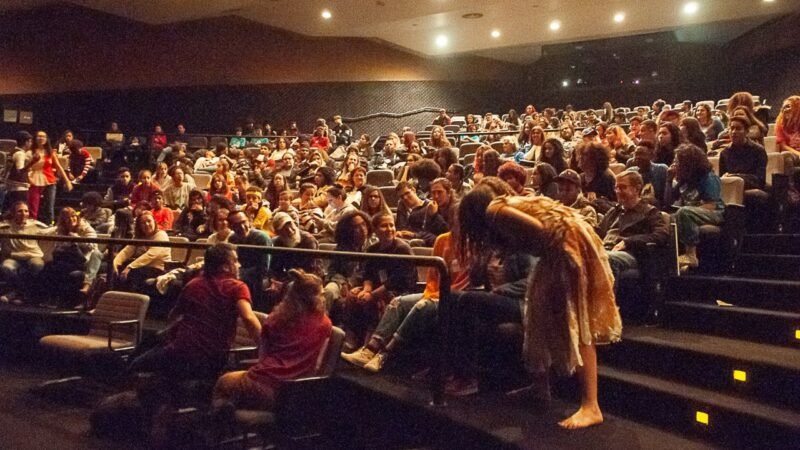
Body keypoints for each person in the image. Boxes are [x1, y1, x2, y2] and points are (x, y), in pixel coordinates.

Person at [458, 186, 621, 429]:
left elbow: (543, 231)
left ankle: (591, 406)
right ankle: (540, 387)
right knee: (535, 314)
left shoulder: (494, 212)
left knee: (576, 321)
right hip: (557, 249)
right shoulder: (501, 210)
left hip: (566, 247)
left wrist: (561, 268)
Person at [131, 243, 261, 390]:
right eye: (236, 261)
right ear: (225, 267)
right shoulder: (237, 287)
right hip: (211, 359)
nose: (239, 265)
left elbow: (173, 315)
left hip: (181, 353)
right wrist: (267, 347)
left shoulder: (194, 284)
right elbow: (248, 318)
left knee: (135, 366)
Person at [342, 230, 469, 372]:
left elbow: (399, 280)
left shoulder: (474, 244)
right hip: (433, 293)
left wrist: (439, 295)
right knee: (399, 302)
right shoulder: (442, 239)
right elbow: (433, 276)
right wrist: (431, 293)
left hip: (453, 296)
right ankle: (369, 350)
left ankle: (385, 354)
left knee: (421, 305)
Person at [212, 269, 331, 411]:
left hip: (268, 384)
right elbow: (317, 365)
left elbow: (263, 355)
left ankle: (219, 427)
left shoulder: (276, 319)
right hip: (294, 391)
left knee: (223, 382)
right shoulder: (325, 324)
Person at [340, 213, 416, 349]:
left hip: (400, 291)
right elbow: (367, 274)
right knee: (352, 296)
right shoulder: (372, 249)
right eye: (384, 226)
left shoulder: (402, 249)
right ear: (375, 230)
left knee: (378, 302)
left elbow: (397, 280)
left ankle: (370, 344)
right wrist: (366, 290)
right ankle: (351, 337)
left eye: (391, 225)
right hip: (377, 288)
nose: (389, 229)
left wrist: (372, 295)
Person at [596, 171, 670, 281]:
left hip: (631, 253)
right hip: (604, 249)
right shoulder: (614, 211)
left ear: (637, 189)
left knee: (607, 259)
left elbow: (661, 234)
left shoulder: (649, 212)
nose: (618, 191)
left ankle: (608, 298)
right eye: (616, 188)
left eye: (623, 187)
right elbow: (598, 232)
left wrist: (629, 241)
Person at [668, 144, 725, 270]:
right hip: (690, 212)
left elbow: (712, 204)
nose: (674, 164)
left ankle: (691, 255)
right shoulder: (683, 180)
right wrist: (669, 180)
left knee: (684, 213)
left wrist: (689, 210)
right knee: (665, 218)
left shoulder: (709, 177)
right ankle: (673, 256)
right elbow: (668, 202)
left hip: (715, 213)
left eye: (677, 161)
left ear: (688, 163)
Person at [0, 201, 48, 304]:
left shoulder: (36, 225)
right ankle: (22, 293)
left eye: (26, 211)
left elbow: (53, 230)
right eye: (20, 211)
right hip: (14, 257)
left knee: (37, 264)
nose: (24, 214)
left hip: (33, 256)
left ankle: (16, 293)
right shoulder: (5, 227)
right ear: (13, 213)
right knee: (6, 267)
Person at [113, 211, 171, 291]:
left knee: (133, 274)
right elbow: (126, 252)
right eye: (143, 223)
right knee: (115, 271)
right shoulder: (139, 236)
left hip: (158, 268)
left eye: (149, 221)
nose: (147, 225)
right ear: (139, 226)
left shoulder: (161, 235)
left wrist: (130, 267)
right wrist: (115, 264)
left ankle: (132, 300)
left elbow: (150, 255)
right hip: (141, 267)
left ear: (154, 221)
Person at [228, 210, 272, 311]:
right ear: (231, 227)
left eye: (244, 222)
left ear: (249, 221)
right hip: (241, 273)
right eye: (237, 225)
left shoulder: (261, 237)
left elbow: (265, 267)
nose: (242, 227)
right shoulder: (233, 239)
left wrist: (241, 273)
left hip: (259, 276)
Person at [28, 130, 72, 224]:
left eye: (43, 136)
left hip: (49, 180)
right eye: (39, 136)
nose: (41, 138)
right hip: (33, 179)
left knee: (49, 207)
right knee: (33, 206)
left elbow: (59, 167)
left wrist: (67, 181)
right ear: (35, 138)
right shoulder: (30, 151)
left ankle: (49, 226)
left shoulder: (50, 152)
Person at [719, 116, 767, 190]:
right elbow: (722, 177)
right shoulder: (724, 153)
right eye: (732, 128)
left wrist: (735, 177)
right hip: (731, 189)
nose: (734, 132)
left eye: (738, 129)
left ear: (746, 132)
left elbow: (760, 180)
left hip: (751, 188)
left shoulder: (758, 151)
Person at [395, 181, 449, 247]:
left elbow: (432, 232)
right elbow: (400, 227)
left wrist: (414, 235)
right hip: (404, 240)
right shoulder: (401, 207)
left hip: (421, 242)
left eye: (407, 193)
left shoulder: (430, 207)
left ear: (414, 190)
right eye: (402, 196)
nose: (405, 198)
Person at [628, 141, 669, 208]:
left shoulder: (661, 170)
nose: (637, 157)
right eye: (636, 154)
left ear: (651, 155)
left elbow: (667, 199)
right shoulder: (631, 172)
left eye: (641, 154)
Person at [4, 131, 33, 212]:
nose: (31, 144)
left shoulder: (13, 152)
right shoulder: (20, 154)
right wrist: (32, 162)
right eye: (30, 141)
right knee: (19, 210)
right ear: (26, 142)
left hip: (12, 188)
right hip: (19, 189)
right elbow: (19, 172)